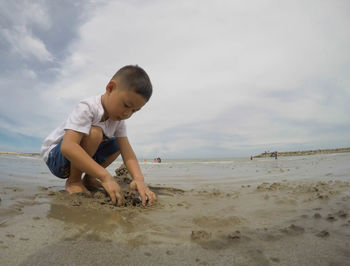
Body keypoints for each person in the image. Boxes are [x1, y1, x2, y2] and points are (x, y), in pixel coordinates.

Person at [41, 65, 156, 207]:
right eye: (126, 105)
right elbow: (68, 147)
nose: (128, 114)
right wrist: (105, 176)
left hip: (79, 159)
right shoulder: (88, 107)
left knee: (116, 145)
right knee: (94, 133)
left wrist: (139, 179)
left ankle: (89, 179)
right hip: (57, 158)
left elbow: (128, 154)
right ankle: (74, 181)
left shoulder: (118, 121)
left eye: (134, 111)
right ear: (110, 88)